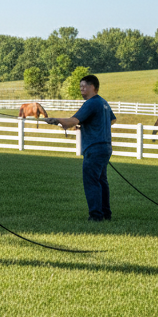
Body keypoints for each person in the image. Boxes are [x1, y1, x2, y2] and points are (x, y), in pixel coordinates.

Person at [47, 74, 116, 222]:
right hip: (105, 147)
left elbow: (72, 120)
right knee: (101, 181)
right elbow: (112, 120)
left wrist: (57, 120)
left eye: (84, 86)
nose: (81, 89)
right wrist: (92, 126)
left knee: (91, 181)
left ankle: (96, 216)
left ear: (94, 87)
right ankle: (106, 214)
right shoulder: (103, 103)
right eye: (80, 86)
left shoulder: (91, 103)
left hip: (94, 148)